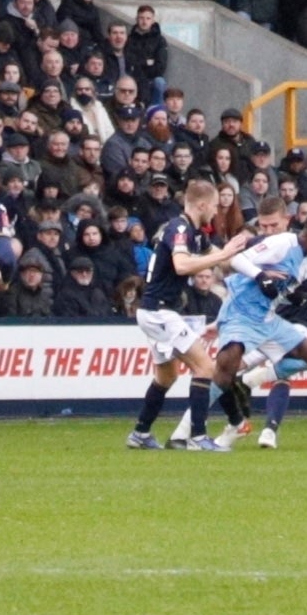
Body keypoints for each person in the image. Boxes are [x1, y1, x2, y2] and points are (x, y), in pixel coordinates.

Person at [203, 190, 307, 453]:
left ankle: (269, 430)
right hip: (255, 319)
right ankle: (214, 425)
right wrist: (221, 321)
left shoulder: (306, 243)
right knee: (228, 368)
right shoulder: (259, 246)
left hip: (291, 319)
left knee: (285, 363)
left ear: (287, 220)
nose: (268, 231)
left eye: (273, 225)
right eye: (263, 226)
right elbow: (238, 290)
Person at [123, 177, 230, 452]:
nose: (217, 211)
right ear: (203, 204)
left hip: (157, 311)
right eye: (215, 206)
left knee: (166, 376)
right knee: (206, 367)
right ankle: (197, 437)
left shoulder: (195, 232)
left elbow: (224, 258)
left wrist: (255, 266)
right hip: (159, 311)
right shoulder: (179, 228)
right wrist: (221, 257)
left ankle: (140, 434)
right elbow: (182, 265)